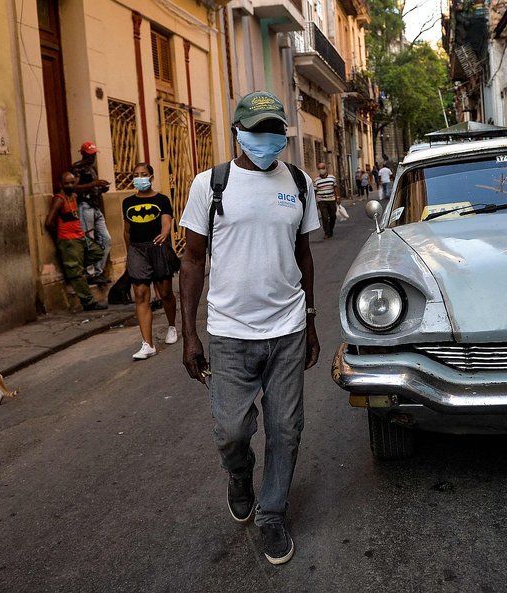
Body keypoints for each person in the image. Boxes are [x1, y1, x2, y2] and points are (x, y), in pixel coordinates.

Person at [178, 90, 320, 566]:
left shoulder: (298, 182)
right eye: (259, 130)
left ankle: (272, 513)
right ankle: (240, 475)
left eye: (276, 130)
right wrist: (190, 333)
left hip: (287, 327)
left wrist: (312, 320)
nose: (269, 139)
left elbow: (304, 255)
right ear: (238, 132)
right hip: (230, 332)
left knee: (286, 427)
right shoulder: (210, 184)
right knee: (232, 431)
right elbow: (193, 258)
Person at [122, 162, 180, 360]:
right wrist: (129, 255)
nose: (140, 177)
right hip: (137, 250)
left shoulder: (162, 199)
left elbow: (166, 222)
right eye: (136, 174)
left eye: (144, 174)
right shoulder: (128, 203)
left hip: (157, 247)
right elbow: (127, 231)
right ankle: (148, 344)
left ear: (152, 177)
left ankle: (172, 326)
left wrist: (164, 234)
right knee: (140, 295)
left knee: (165, 293)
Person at [44, 172, 108, 311]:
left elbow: (79, 190)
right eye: (67, 183)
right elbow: (49, 222)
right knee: (77, 273)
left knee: (98, 252)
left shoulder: (73, 196)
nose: (70, 186)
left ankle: (73, 269)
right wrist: (60, 236)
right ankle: (89, 302)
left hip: (80, 236)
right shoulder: (59, 199)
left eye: (72, 183)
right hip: (68, 239)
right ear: (61, 184)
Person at [71, 141, 112, 284]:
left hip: (95, 206)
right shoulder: (77, 168)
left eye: (93, 154)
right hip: (85, 206)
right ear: (83, 154)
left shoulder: (92, 168)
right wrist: (93, 184)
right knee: (89, 240)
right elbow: (74, 187)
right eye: (89, 155)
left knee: (106, 239)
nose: (92, 157)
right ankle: (90, 273)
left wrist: (100, 188)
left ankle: (98, 270)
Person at [314, 161, 340, 239]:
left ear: (325, 169)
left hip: (331, 199)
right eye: (319, 169)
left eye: (322, 168)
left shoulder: (332, 178)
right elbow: (314, 191)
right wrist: (313, 203)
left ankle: (330, 229)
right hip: (322, 201)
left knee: (333, 216)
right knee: (324, 217)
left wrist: (338, 197)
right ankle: (327, 232)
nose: (321, 170)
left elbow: (335, 188)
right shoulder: (316, 180)